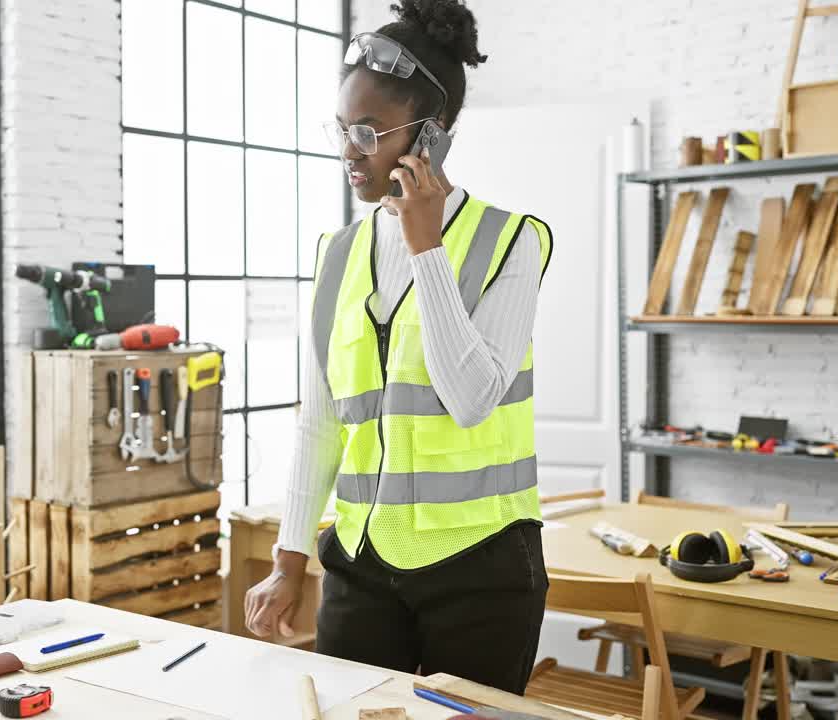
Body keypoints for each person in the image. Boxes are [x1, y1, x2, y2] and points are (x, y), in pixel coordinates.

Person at [242, 0, 553, 694]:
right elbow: (321, 422)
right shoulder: (337, 256)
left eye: (368, 130)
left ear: (433, 134)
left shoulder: (512, 241)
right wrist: (290, 562)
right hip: (360, 564)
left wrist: (426, 246)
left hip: (483, 572)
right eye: (341, 127)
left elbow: (471, 400)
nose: (349, 149)